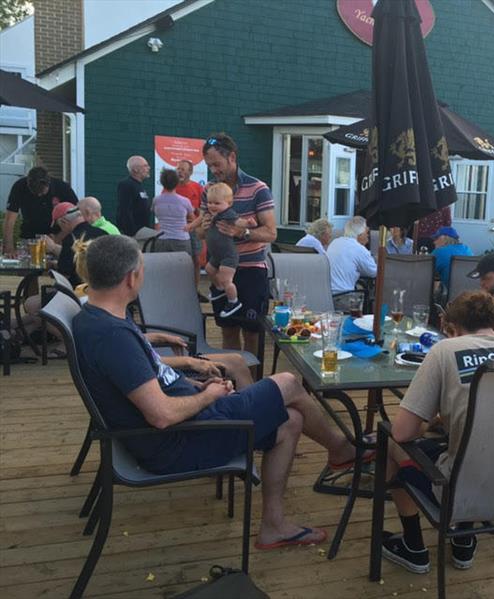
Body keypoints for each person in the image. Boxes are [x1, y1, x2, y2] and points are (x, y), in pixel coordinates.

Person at [71, 235, 366, 550]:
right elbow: (161, 415)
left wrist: (193, 383)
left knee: (291, 420)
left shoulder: (95, 318)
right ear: (131, 278)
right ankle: (340, 449)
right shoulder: (113, 336)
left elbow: (145, 377)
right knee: (289, 383)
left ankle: (274, 526)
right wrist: (210, 395)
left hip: (183, 426)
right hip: (180, 441)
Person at [380, 291, 494, 573]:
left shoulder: (446, 350)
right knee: (476, 446)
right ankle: (463, 538)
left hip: (463, 492)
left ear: (451, 329)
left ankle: (413, 545)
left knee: (391, 442)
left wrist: (432, 419)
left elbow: (403, 432)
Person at [198, 133, 277, 356]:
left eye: (217, 164)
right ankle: (235, 385)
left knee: (252, 333)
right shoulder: (210, 191)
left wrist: (242, 232)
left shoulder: (258, 188)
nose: (213, 170)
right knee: (228, 330)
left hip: (251, 270)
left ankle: (252, 386)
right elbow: (200, 233)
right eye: (209, 165)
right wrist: (203, 226)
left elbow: (271, 233)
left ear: (232, 157)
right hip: (221, 270)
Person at [189, 183, 242, 318]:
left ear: (228, 204)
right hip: (216, 255)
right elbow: (199, 221)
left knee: (226, 280)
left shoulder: (228, 214)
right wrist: (191, 225)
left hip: (228, 255)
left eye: (217, 203)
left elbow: (239, 222)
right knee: (209, 269)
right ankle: (219, 289)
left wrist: (249, 224)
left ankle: (233, 301)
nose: (212, 206)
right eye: (210, 203)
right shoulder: (209, 213)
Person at [3, 166, 78, 256]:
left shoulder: (62, 188)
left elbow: (77, 218)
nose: (39, 195)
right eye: (34, 192)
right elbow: (9, 220)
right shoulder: (20, 186)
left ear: (48, 183)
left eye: (42, 192)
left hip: (58, 237)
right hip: (30, 238)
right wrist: (9, 248)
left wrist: (57, 239)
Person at [48, 203, 107, 285]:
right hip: (103, 286)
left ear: (63, 222)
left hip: (79, 290)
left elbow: (64, 274)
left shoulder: (70, 239)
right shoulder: (103, 234)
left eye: (59, 226)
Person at [327, 216, 377, 294]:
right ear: (360, 234)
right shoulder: (359, 248)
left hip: (327, 293)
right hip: (343, 295)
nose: (368, 236)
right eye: (366, 232)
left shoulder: (335, 242)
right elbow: (373, 272)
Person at [175, 159, 206, 286]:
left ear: (190, 172)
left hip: (193, 229)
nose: (179, 172)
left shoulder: (197, 187)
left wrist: (195, 210)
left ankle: (195, 290)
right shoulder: (171, 188)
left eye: (182, 169)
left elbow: (204, 209)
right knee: (179, 262)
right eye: (178, 169)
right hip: (177, 230)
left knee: (196, 260)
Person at [152, 169, 195, 257]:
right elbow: (192, 218)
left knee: (162, 268)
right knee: (183, 268)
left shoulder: (156, 200)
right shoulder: (185, 201)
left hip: (161, 239)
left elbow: (155, 213)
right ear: (177, 182)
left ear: (162, 182)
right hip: (181, 239)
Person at [116, 155, 152, 236]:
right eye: (145, 166)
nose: (148, 168)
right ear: (135, 169)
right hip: (134, 235)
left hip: (143, 232)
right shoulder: (126, 184)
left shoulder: (139, 186)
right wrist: (132, 233)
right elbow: (124, 210)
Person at [430, 226, 472, 293]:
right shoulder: (467, 249)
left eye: (436, 238)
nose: (434, 242)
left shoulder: (439, 252)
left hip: (450, 296)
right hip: (470, 294)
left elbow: (424, 272)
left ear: (444, 238)